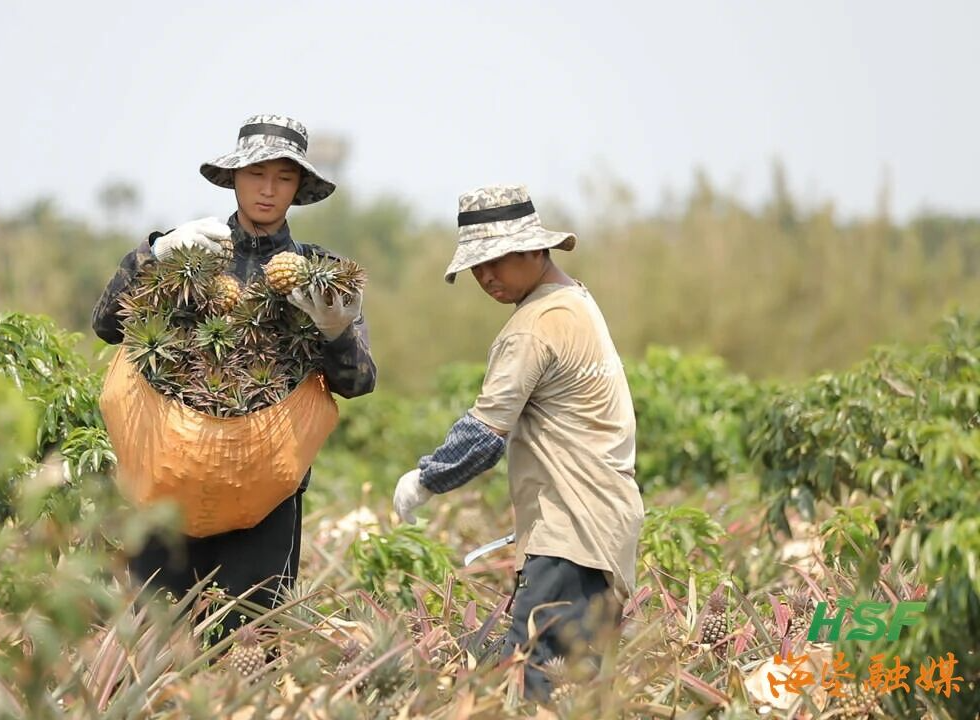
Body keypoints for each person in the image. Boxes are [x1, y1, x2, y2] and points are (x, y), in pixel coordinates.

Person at [90, 114, 376, 629]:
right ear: (234, 178)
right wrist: (153, 254)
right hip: (166, 482)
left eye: (284, 178)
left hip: (264, 500)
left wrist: (337, 329)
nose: (268, 190)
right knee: (153, 640)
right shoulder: (191, 250)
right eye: (256, 174)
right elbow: (107, 326)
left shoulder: (320, 272)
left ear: (299, 188)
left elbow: (358, 383)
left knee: (251, 642)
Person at [391, 184, 643, 701]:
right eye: (476, 267)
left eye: (496, 260)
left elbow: (485, 434)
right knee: (576, 684)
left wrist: (425, 478)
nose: (486, 277)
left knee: (528, 680)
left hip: (572, 530)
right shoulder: (576, 302)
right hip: (605, 528)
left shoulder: (534, 326)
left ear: (534, 248)